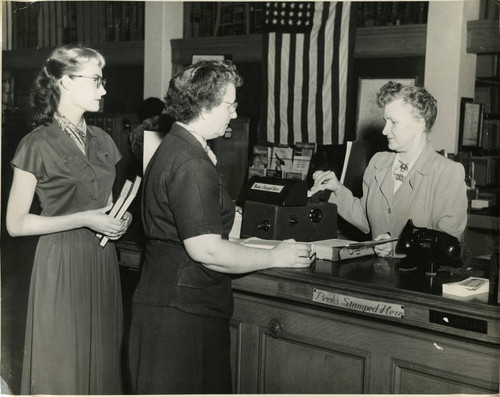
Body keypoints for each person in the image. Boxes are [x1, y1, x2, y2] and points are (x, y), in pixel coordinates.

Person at [127, 60, 312, 394]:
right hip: (183, 314)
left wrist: (245, 238)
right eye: (230, 105)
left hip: (170, 303)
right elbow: (207, 250)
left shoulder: (176, 146)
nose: (233, 113)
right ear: (205, 106)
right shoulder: (190, 161)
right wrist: (275, 256)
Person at [6, 44, 132, 395]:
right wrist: (86, 219)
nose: (104, 89)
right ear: (64, 82)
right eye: (96, 80)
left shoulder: (105, 140)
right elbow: (16, 224)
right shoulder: (36, 143)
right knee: (64, 367)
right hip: (61, 262)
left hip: (102, 260)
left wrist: (118, 218)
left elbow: (102, 204)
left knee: (102, 363)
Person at [310, 81, 468, 257]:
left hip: (418, 280)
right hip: (376, 275)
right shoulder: (378, 163)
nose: (385, 130)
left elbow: (448, 243)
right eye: (385, 121)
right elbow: (366, 220)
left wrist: (396, 246)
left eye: (394, 122)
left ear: (419, 124)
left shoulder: (447, 172)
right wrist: (336, 190)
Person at [129, 97, 165, 164]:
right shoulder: (149, 132)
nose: (160, 118)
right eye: (159, 115)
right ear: (153, 116)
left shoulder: (137, 130)